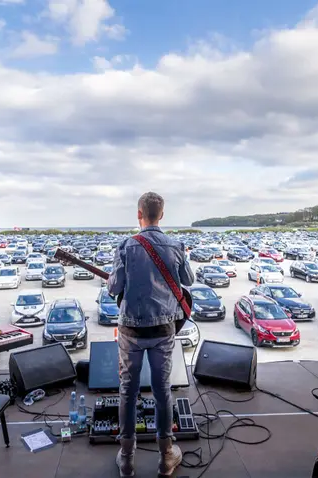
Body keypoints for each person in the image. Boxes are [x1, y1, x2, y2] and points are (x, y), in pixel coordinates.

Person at [108, 192, 194, 478]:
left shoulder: (126, 246)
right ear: (162, 215)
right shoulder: (175, 245)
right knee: (162, 392)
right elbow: (188, 281)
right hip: (163, 330)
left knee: (127, 392)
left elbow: (114, 287)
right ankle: (166, 456)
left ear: (139, 214)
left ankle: (127, 459)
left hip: (131, 330)